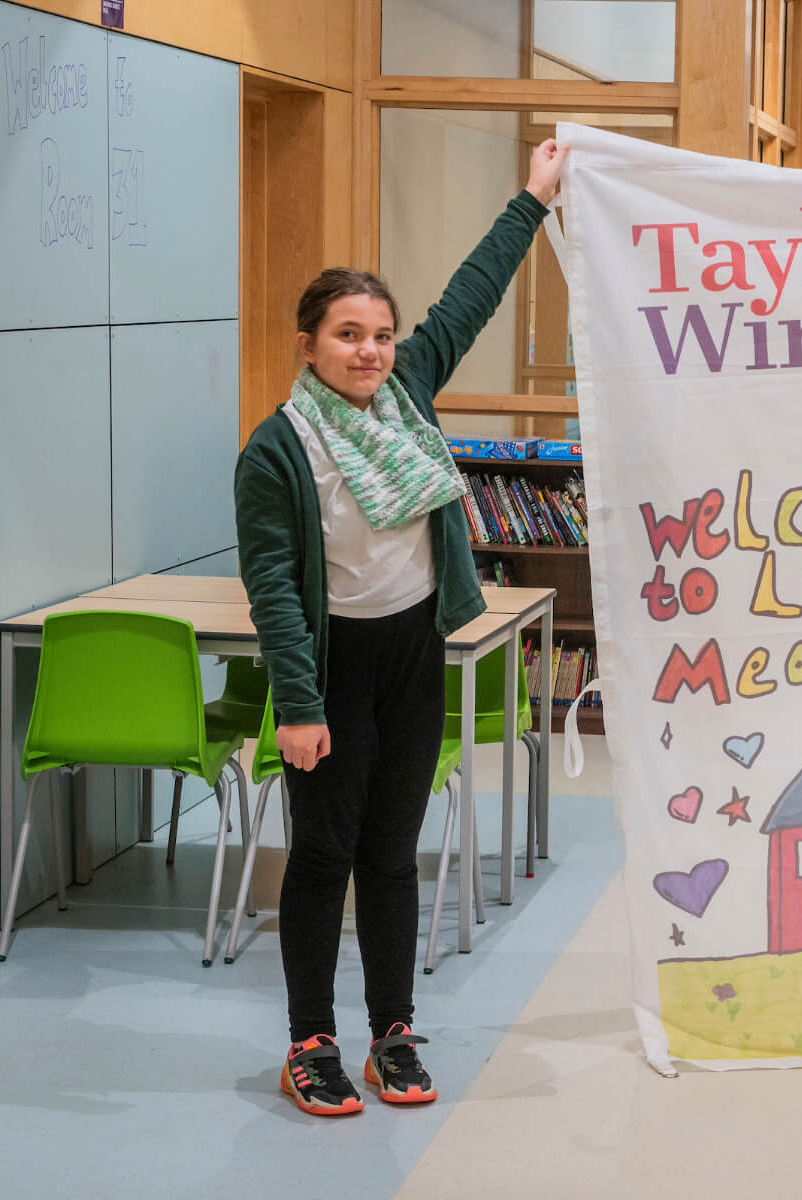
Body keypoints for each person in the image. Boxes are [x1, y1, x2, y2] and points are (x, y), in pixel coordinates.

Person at [235, 139, 567, 1116]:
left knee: (391, 857)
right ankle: (309, 1043)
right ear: (308, 344)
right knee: (324, 859)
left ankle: (391, 1031)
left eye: (379, 333)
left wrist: (535, 199)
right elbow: (274, 590)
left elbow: (470, 294)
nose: (370, 350)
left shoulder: (409, 392)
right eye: (348, 334)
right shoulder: (276, 451)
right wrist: (296, 704)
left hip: (415, 655)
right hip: (331, 668)